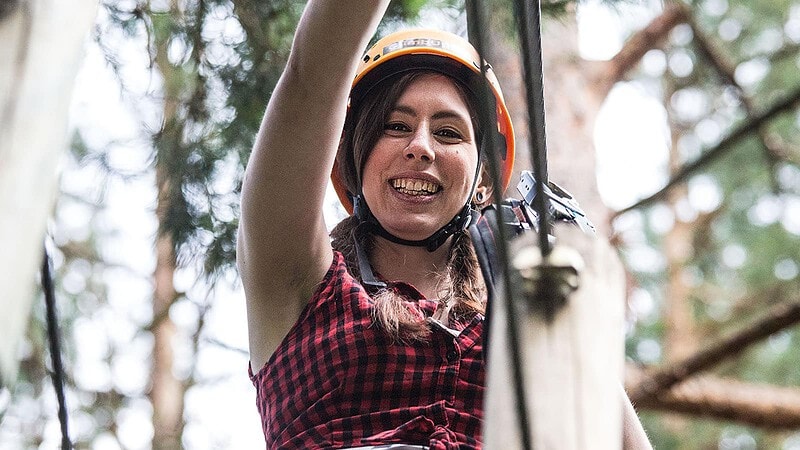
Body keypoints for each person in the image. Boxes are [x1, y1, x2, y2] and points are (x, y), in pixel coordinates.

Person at [237, 1, 651, 449]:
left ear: (484, 180)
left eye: (449, 132)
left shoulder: (519, 326)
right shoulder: (295, 284)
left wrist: (565, 319)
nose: (420, 148)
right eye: (395, 126)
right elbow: (310, 78)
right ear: (353, 160)